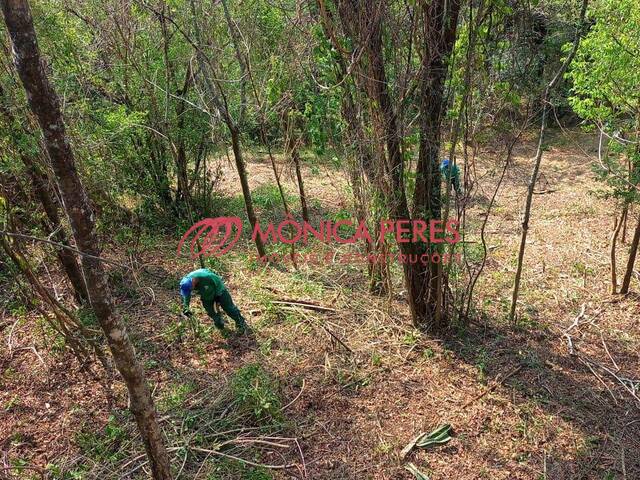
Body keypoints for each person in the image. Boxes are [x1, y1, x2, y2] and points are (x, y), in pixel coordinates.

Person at [179, 268, 249, 334]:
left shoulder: (206, 277)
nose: (190, 291)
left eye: (190, 289)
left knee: (228, 308)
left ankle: (241, 323)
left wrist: (218, 297)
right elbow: (187, 294)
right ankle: (220, 326)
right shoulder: (186, 281)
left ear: (192, 283)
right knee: (211, 312)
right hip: (206, 295)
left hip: (219, 290)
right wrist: (186, 307)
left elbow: (218, 282)